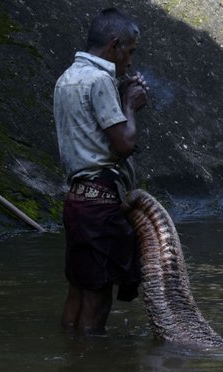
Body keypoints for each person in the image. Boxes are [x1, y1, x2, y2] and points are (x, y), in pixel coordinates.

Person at [53, 7, 149, 334]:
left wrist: (120, 94)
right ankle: (90, 371)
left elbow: (90, 133)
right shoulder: (98, 79)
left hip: (77, 201)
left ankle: (70, 356)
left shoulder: (68, 77)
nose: (130, 61)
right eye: (130, 51)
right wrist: (130, 105)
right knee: (98, 295)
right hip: (101, 204)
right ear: (114, 45)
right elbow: (123, 143)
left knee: (78, 288)